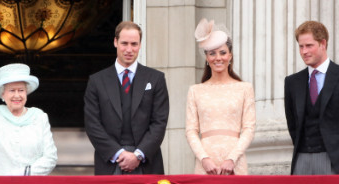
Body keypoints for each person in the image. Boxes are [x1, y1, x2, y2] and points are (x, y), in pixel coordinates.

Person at [284, 21, 339, 175]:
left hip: (336, 161)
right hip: (301, 160)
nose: (304, 51)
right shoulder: (292, 82)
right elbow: (293, 125)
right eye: (301, 46)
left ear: (323, 43)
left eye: (309, 45)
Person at [84, 21, 169, 175]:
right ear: (115, 42)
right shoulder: (97, 81)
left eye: (134, 44)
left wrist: (138, 155)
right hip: (109, 164)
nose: (129, 49)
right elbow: (92, 124)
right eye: (124, 43)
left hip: (147, 164)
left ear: (140, 45)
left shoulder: (156, 79)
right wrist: (118, 154)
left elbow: (159, 122)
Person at [185, 19, 256, 175]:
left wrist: (232, 159)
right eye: (212, 53)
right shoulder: (195, 90)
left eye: (222, 52)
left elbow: (249, 129)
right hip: (205, 164)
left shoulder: (244, 88)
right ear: (206, 57)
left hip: (235, 162)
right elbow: (191, 130)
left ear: (230, 55)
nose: (218, 58)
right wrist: (204, 158)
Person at [0, 63, 57, 176]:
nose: (17, 95)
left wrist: (26, 173)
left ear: (26, 93)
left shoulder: (39, 117)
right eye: (12, 90)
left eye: (21, 90)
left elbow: (51, 157)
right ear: (2, 94)